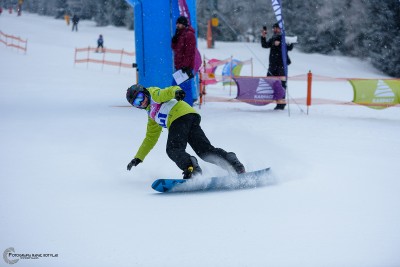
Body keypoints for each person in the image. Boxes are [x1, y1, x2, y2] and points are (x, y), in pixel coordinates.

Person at [126, 84, 245, 179]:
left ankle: (191, 168)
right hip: (190, 117)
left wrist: (176, 92)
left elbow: (167, 92)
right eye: (136, 103)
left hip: (179, 117)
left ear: (145, 92)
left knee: (173, 149)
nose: (141, 102)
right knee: (204, 151)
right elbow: (150, 138)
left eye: (141, 97)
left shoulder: (154, 94)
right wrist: (138, 157)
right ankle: (233, 163)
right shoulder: (152, 116)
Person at [261, 22, 294, 110]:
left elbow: (290, 47)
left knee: (282, 84)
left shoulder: (284, 38)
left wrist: (281, 44)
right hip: (272, 64)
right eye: (273, 28)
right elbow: (264, 45)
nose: (275, 30)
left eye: (276, 28)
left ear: (281, 29)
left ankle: (281, 103)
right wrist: (263, 36)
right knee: (269, 81)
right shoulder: (273, 38)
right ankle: (275, 99)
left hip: (281, 65)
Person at [171, 16, 196, 106]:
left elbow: (190, 52)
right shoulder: (180, 34)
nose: (177, 25)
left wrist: (185, 66)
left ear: (184, 24)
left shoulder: (189, 35)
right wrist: (175, 39)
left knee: (183, 88)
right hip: (179, 66)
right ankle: (182, 105)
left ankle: (187, 106)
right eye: (177, 23)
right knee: (180, 87)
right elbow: (175, 49)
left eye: (179, 23)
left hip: (185, 67)